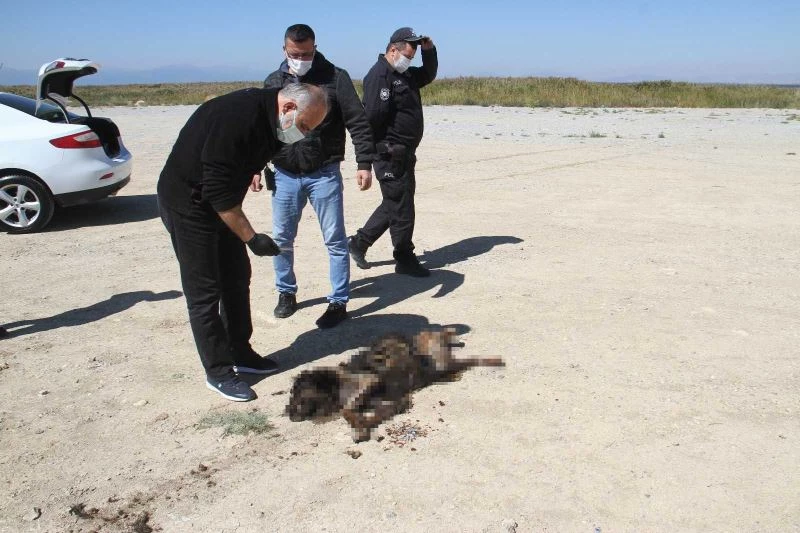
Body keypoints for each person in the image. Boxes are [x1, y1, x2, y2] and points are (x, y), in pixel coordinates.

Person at [157, 83, 328, 402]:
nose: (303, 134)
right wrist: (252, 238)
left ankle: (240, 351)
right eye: (304, 126)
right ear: (289, 108)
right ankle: (218, 371)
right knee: (205, 290)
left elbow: (248, 159)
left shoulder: (276, 119)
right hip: (190, 204)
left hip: (220, 203)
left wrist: (252, 170)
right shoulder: (237, 117)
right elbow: (218, 193)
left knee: (237, 278)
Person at [255, 24, 375, 329]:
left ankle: (338, 300)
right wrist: (254, 167)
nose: (301, 59)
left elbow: (357, 121)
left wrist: (364, 162)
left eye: (307, 53)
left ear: (315, 47)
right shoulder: (274, 81)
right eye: (295, 54)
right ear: (284, 50)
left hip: (324, 173)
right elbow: (262, 130)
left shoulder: (335, 78)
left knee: (334, 240)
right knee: (282, 238)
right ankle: (286, 293)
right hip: (283, 173)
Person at [348, 27, 438, 277]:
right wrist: (368, 159)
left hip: (405, 153)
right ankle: (404, 256)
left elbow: (428, 74)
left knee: (397, 201)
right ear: (392, 50)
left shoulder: (404, 73)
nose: (409, 61)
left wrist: (428, 51)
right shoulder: (379, 77)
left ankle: (359, 243)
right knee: (402, 206)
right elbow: (371, 121)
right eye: (407, 56)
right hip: (389, 154)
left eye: (412, 57)